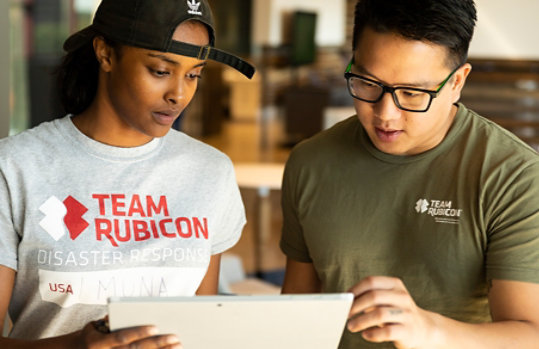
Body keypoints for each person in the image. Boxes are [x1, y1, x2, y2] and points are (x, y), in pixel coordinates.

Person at [280, 0, 539, 348]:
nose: (385, 114)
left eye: (413, 93)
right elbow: (296, 313)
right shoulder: (310, 162)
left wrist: (428, 331)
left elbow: (529, 334)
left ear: (457, 82)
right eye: (368, 83)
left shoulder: (513, 176)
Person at [0, 0, 254, 347]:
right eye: (161, 71)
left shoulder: (210, 172)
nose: (178, 94)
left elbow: (198, 330)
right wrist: (73, 346)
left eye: (194, 74)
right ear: (105, 54)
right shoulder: (15, 168)